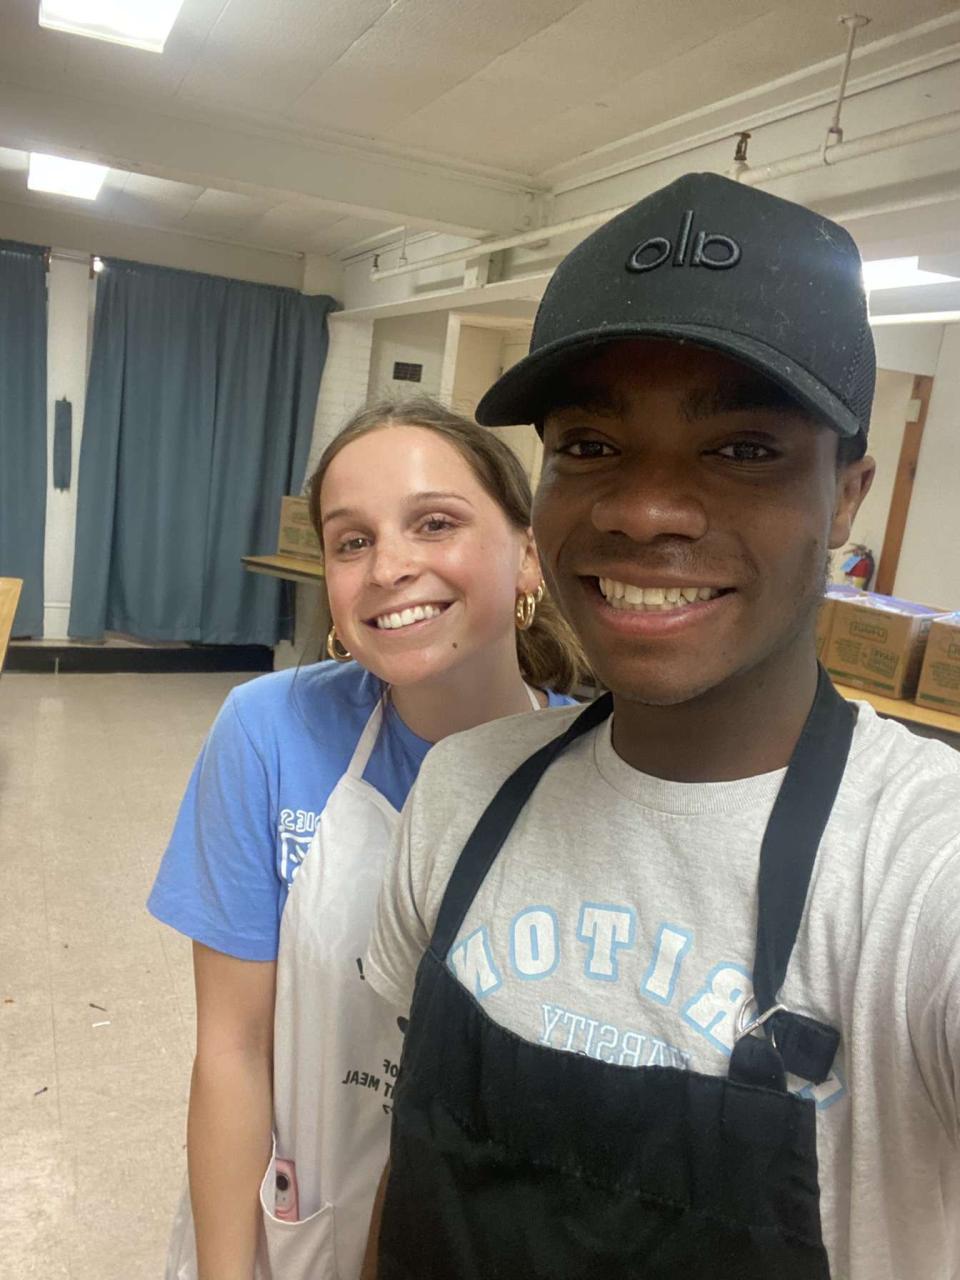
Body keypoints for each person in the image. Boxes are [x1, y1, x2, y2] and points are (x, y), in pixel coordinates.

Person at [364, 174, 960, 1280]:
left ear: (848, 494)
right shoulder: (460, 793)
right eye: (591, 443)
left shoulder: (918, 866)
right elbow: (408, 1168)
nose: (644, 510)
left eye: (743, 448)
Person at [147, 396, 583, 1280]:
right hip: (293, 1227)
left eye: (435, 523)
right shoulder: (269, 732)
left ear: (527, 553)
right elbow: (232, 1050)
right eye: (352, 541)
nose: (389, 567)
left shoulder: (598, 772)